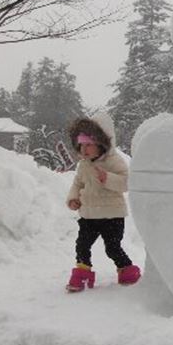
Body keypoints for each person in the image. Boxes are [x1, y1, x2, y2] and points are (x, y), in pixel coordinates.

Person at [65, 112, 141, 292]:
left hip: (112, 215)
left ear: (102, 143)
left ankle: (127, 270)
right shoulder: (84, 165)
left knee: (112, 248)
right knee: (82, 245)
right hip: (89, 215)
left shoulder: (114, 161)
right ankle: (82, 275)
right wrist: (73, 198)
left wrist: (108, 178)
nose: (84, 149)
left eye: (89, 144)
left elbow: (126, 182)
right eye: (81, 145)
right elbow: (78, 183)